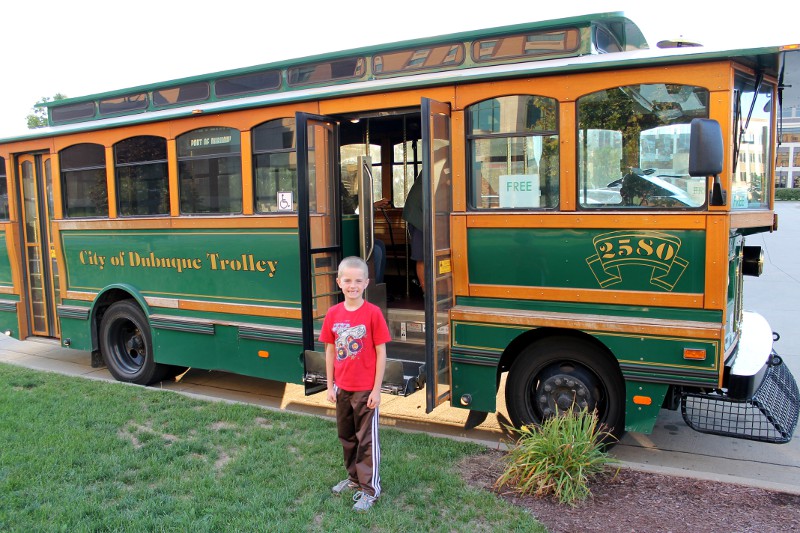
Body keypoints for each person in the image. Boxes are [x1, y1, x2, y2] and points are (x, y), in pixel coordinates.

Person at [320, 256, 391, 512]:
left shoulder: (372, 314)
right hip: (342, 388)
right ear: (339, 282)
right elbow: (329, 351)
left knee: (366, 440)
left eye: (358, 281)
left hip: (365, 390)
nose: (352, 285)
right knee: (347, 437)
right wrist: (330, 385)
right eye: (347, 280)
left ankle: (370, 490)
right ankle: (353, 480)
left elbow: (381, 352)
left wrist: (376, 390)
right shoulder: (333, 314)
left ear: (366, 283)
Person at [401, 174, 425, 292]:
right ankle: (426, 292)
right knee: (422, 257)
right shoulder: (434, 165)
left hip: (424, 217)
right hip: (419, 218)